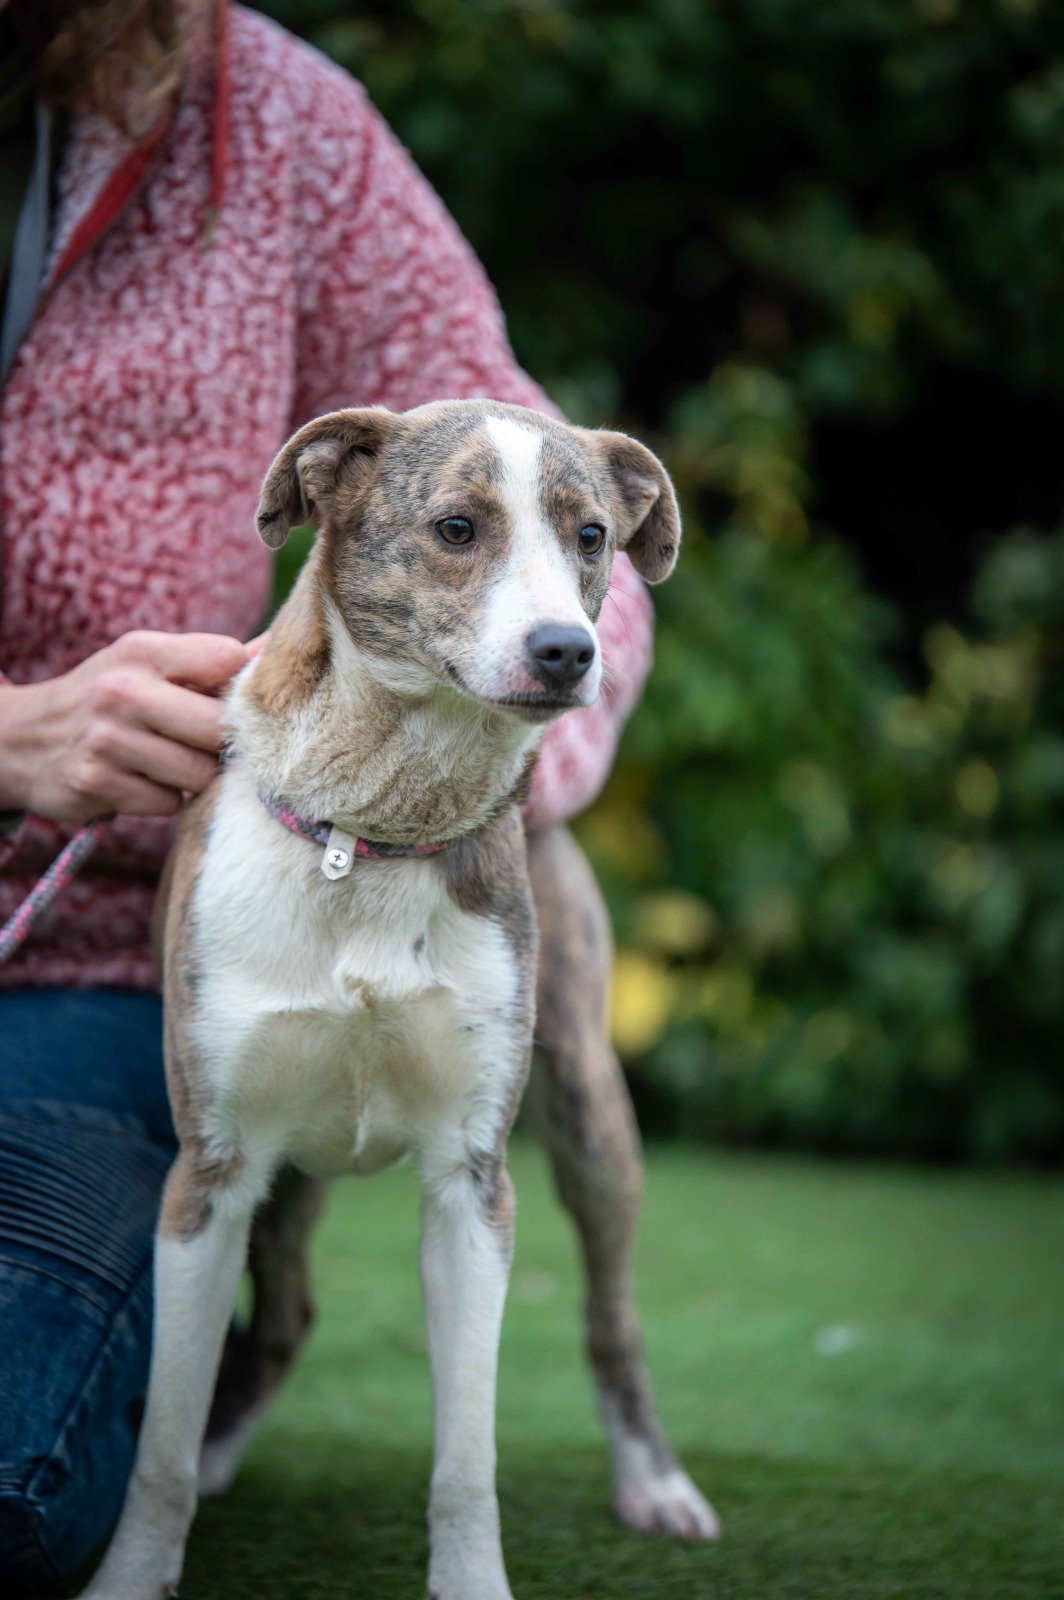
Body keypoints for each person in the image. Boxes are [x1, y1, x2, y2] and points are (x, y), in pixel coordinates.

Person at [0, 0, 654, 1587]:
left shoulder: (279, 126)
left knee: (14, 1485)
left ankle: (585, 1432)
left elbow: (543, 501)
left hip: (90, 972)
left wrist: (462, 765)